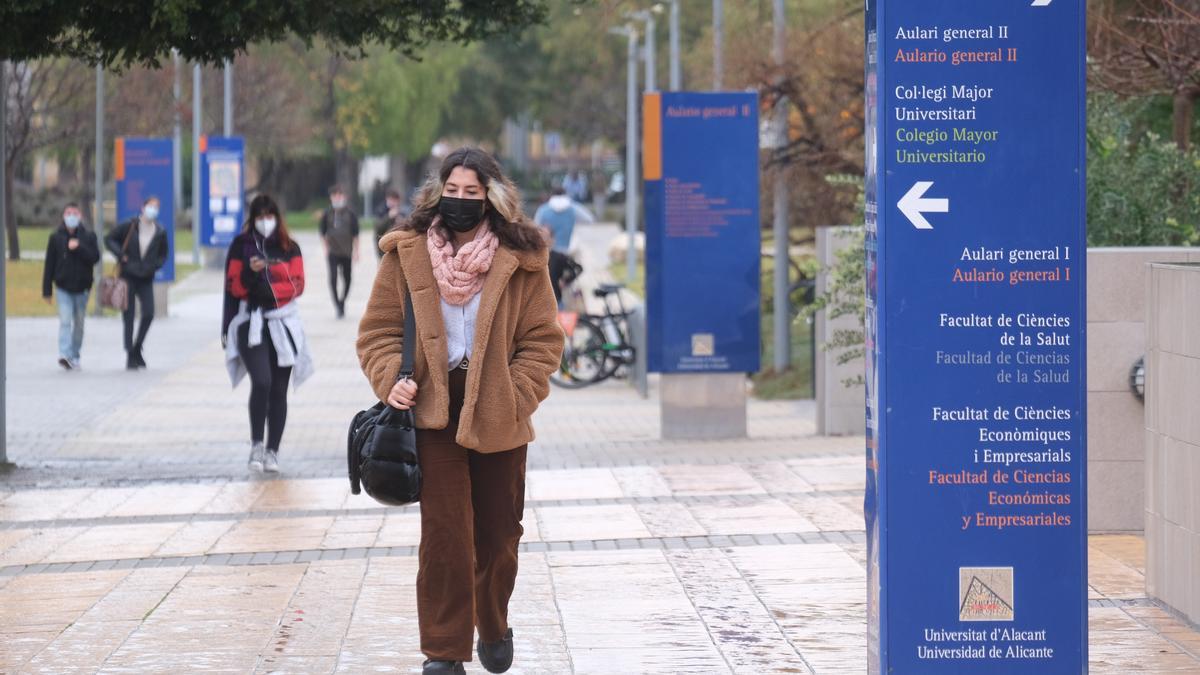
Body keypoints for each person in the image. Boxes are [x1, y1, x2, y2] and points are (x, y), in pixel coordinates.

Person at [357, 147, 563, 675]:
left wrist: (516, 394)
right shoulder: (406, 253)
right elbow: (378, 333)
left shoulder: (523, 258)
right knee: (446, 536)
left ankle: (492, 623)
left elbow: (543, 340)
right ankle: (444, 652)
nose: (461, 201)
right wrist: (391, 381)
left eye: (473, 193)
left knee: (498, 537)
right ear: (438, 192)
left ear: (491, 197)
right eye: (453, 191)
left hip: (498, 410)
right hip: (431, 411)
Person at [222, 194, 313, 474]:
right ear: (253, 218)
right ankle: (257, 444)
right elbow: (234, 287)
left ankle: (273, 450)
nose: (265, 222)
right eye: (260, 216)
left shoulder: (289, 246)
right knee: (261, 381)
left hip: (282, 324)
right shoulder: (241, 246)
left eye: (269, 215)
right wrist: (253, 276)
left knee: (278, 389)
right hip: (252, 322)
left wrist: (272, 283)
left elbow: (297, 284)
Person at [105, 195, 169, 370]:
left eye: (156, 207)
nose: (153, 210)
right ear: (143, 207)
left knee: (148, 313)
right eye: (151, 206)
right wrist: (121, 256)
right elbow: (109, 239)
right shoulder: (130, 225)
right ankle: (129, 354)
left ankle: (137, 346)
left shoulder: (160, 231)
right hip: (128, 276)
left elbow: (164, 254)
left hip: (146, 277)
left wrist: (155, 266)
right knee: (129, 316)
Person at [42, 202, 100, 370]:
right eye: (68, 213)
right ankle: (64, 354)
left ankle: (75, 355)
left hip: (82, 289)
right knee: (65, 321)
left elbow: (95, 258)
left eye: (75, 213)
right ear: (63, 216)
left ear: (80, 216)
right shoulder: (56, 237)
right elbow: (49, 264)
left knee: (79, 324)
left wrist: (79, 247)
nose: (71, 216)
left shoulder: (89, 236)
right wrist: (47, 290)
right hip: (63, 288)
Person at [318, 184, 360, 318]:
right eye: (335, 195)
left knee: (347, 279)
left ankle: (343, 300)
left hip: (347, 252)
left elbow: (356, 234)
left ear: (344, 197)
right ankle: (337, 304)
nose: (337, 198)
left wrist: (356, 251)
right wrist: (325, 248)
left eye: (340, 195)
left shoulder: (351, 213)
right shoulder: (327, 213)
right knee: (333, 278)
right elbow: (322, 232)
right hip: (333, 252)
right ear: (331, 198)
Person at [533, 186, 594, 254]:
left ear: (552, 195)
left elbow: (535, 227)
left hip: (549, 251)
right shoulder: (572, 207)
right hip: (568, 251)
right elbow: (589, 219)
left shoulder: (543, 209)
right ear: (565, 194)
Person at [373, 188, 407, 258]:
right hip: (382, 246)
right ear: (388, 199)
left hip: (396, 246)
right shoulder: (381, 210)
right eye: (393, 200)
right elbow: (378, 228)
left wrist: (401, 221)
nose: (395, 203)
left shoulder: (401, 211)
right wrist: (389, 217)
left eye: (396, 201)